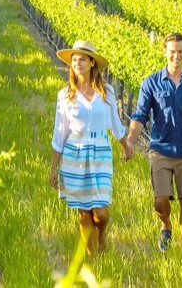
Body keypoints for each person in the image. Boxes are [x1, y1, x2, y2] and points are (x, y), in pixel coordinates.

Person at [128, 32, 182, 252]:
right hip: (160, 149)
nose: (176, 55)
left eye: (180, 51)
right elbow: (140, 114)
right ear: (165, 53)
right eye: (172, 52)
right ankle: (166, 225)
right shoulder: (151, 83)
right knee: (160, 199)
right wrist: (130, 140)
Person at [49, 40, 133, 256]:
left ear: (92, 63)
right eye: (74, 60)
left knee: (100, 212)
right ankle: (93, 260)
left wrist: (126, 147)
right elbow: (60, 132)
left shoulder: (106, 91)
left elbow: (115, 122)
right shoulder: (65, 94)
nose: (78, 63)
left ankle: (102, 234)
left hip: (100, 151)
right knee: (83, 212)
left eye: (82, 59)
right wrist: (53, 167)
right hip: (73, 152)